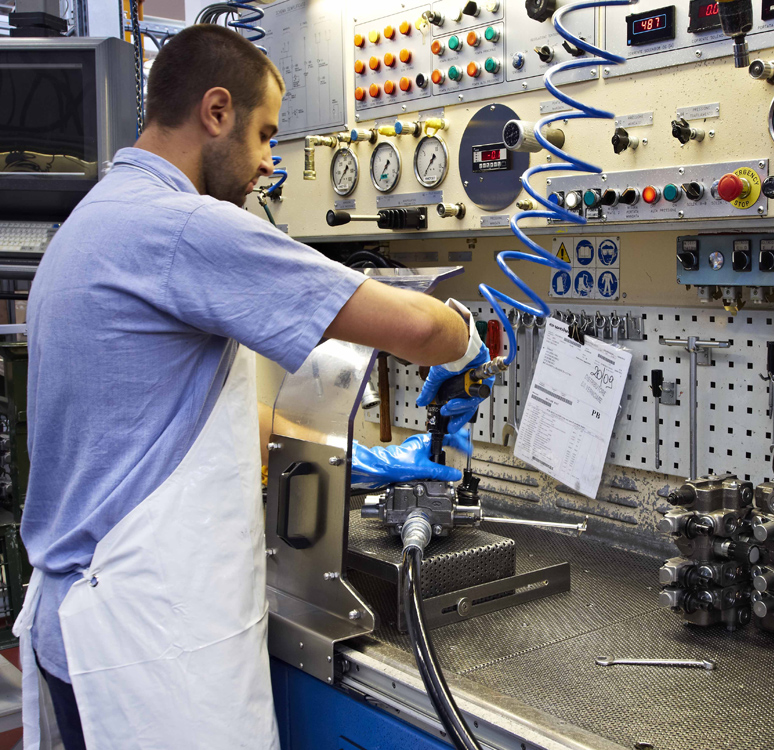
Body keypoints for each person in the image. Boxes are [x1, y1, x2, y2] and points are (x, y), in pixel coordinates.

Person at [15, 24, 488, 750]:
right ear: (216, 111)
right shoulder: (182, 227)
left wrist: (354, 458)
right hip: (148, 648)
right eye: (266, 134)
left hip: (81, 628)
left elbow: (162, 418)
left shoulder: (94, 220)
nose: (270, 161)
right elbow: (419, 330)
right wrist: (469, 343)